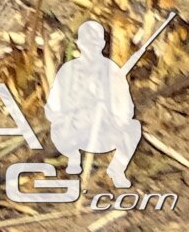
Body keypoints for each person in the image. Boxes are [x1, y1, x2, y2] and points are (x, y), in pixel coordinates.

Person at [46, 20, 143, 187]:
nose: (91, 49)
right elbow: (53, 107)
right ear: (79, 44)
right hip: (72, 130)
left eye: (95, 44)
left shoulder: (111, 70)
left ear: (103, 44)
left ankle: (116, 171)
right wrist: (69, 114)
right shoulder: (68, 70)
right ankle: (72, 160)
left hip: (103, 128)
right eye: (87, 44)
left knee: (133, 128)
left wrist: (117, 119)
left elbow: (126, 107)